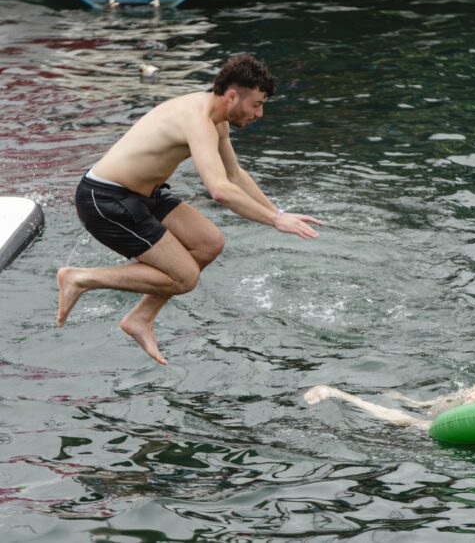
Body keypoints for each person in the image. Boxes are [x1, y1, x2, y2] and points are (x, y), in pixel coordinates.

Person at [57, 53, 323, 365]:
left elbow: (235, 175)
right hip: (105, 199)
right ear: (232, 96)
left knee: (209, 242)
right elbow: (220, 190)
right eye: (256, 104)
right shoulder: (197, 120)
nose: (259, 113)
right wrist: (274, 223)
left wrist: (277, 214)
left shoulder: (216, 117)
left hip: (144, 194)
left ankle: (140, 318)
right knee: (185, 279)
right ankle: (80, 278)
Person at [303, 335, 475, 431]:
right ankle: (421, 403)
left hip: (463, 427)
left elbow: (461, 418)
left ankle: (337, 393)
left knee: (406, 421)